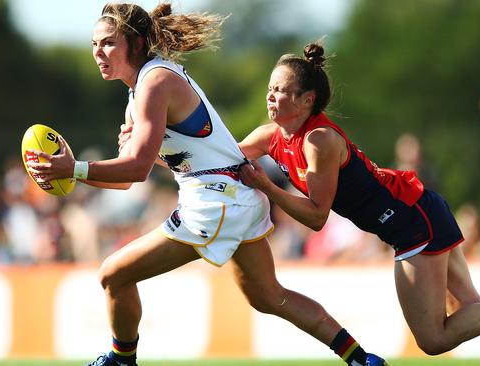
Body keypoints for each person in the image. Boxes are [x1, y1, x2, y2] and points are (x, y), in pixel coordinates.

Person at [26, 3, 387, 366]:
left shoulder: (156, 82)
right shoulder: (139, 93)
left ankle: (122, 362)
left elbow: (135, 169)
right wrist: (78, 172)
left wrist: (75, 169)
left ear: (135, 44)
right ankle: (360, 359)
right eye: (94, 44)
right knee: (269, 296)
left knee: (114, 275)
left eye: (108, 43)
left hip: (217, 202)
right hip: (233, 195)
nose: (98, 53)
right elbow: (131, 178)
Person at [237, 42, 480, 364]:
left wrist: (266, 188)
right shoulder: (273, 135)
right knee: (476, 313)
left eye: (281, 90)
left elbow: (318, 218)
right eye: (270, 89)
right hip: (420, 209)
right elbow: (227, 154)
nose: (271, 97)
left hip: (411, 222)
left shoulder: (318, 141)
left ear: (306, 100)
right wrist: (180, 150)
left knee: (433, 340)